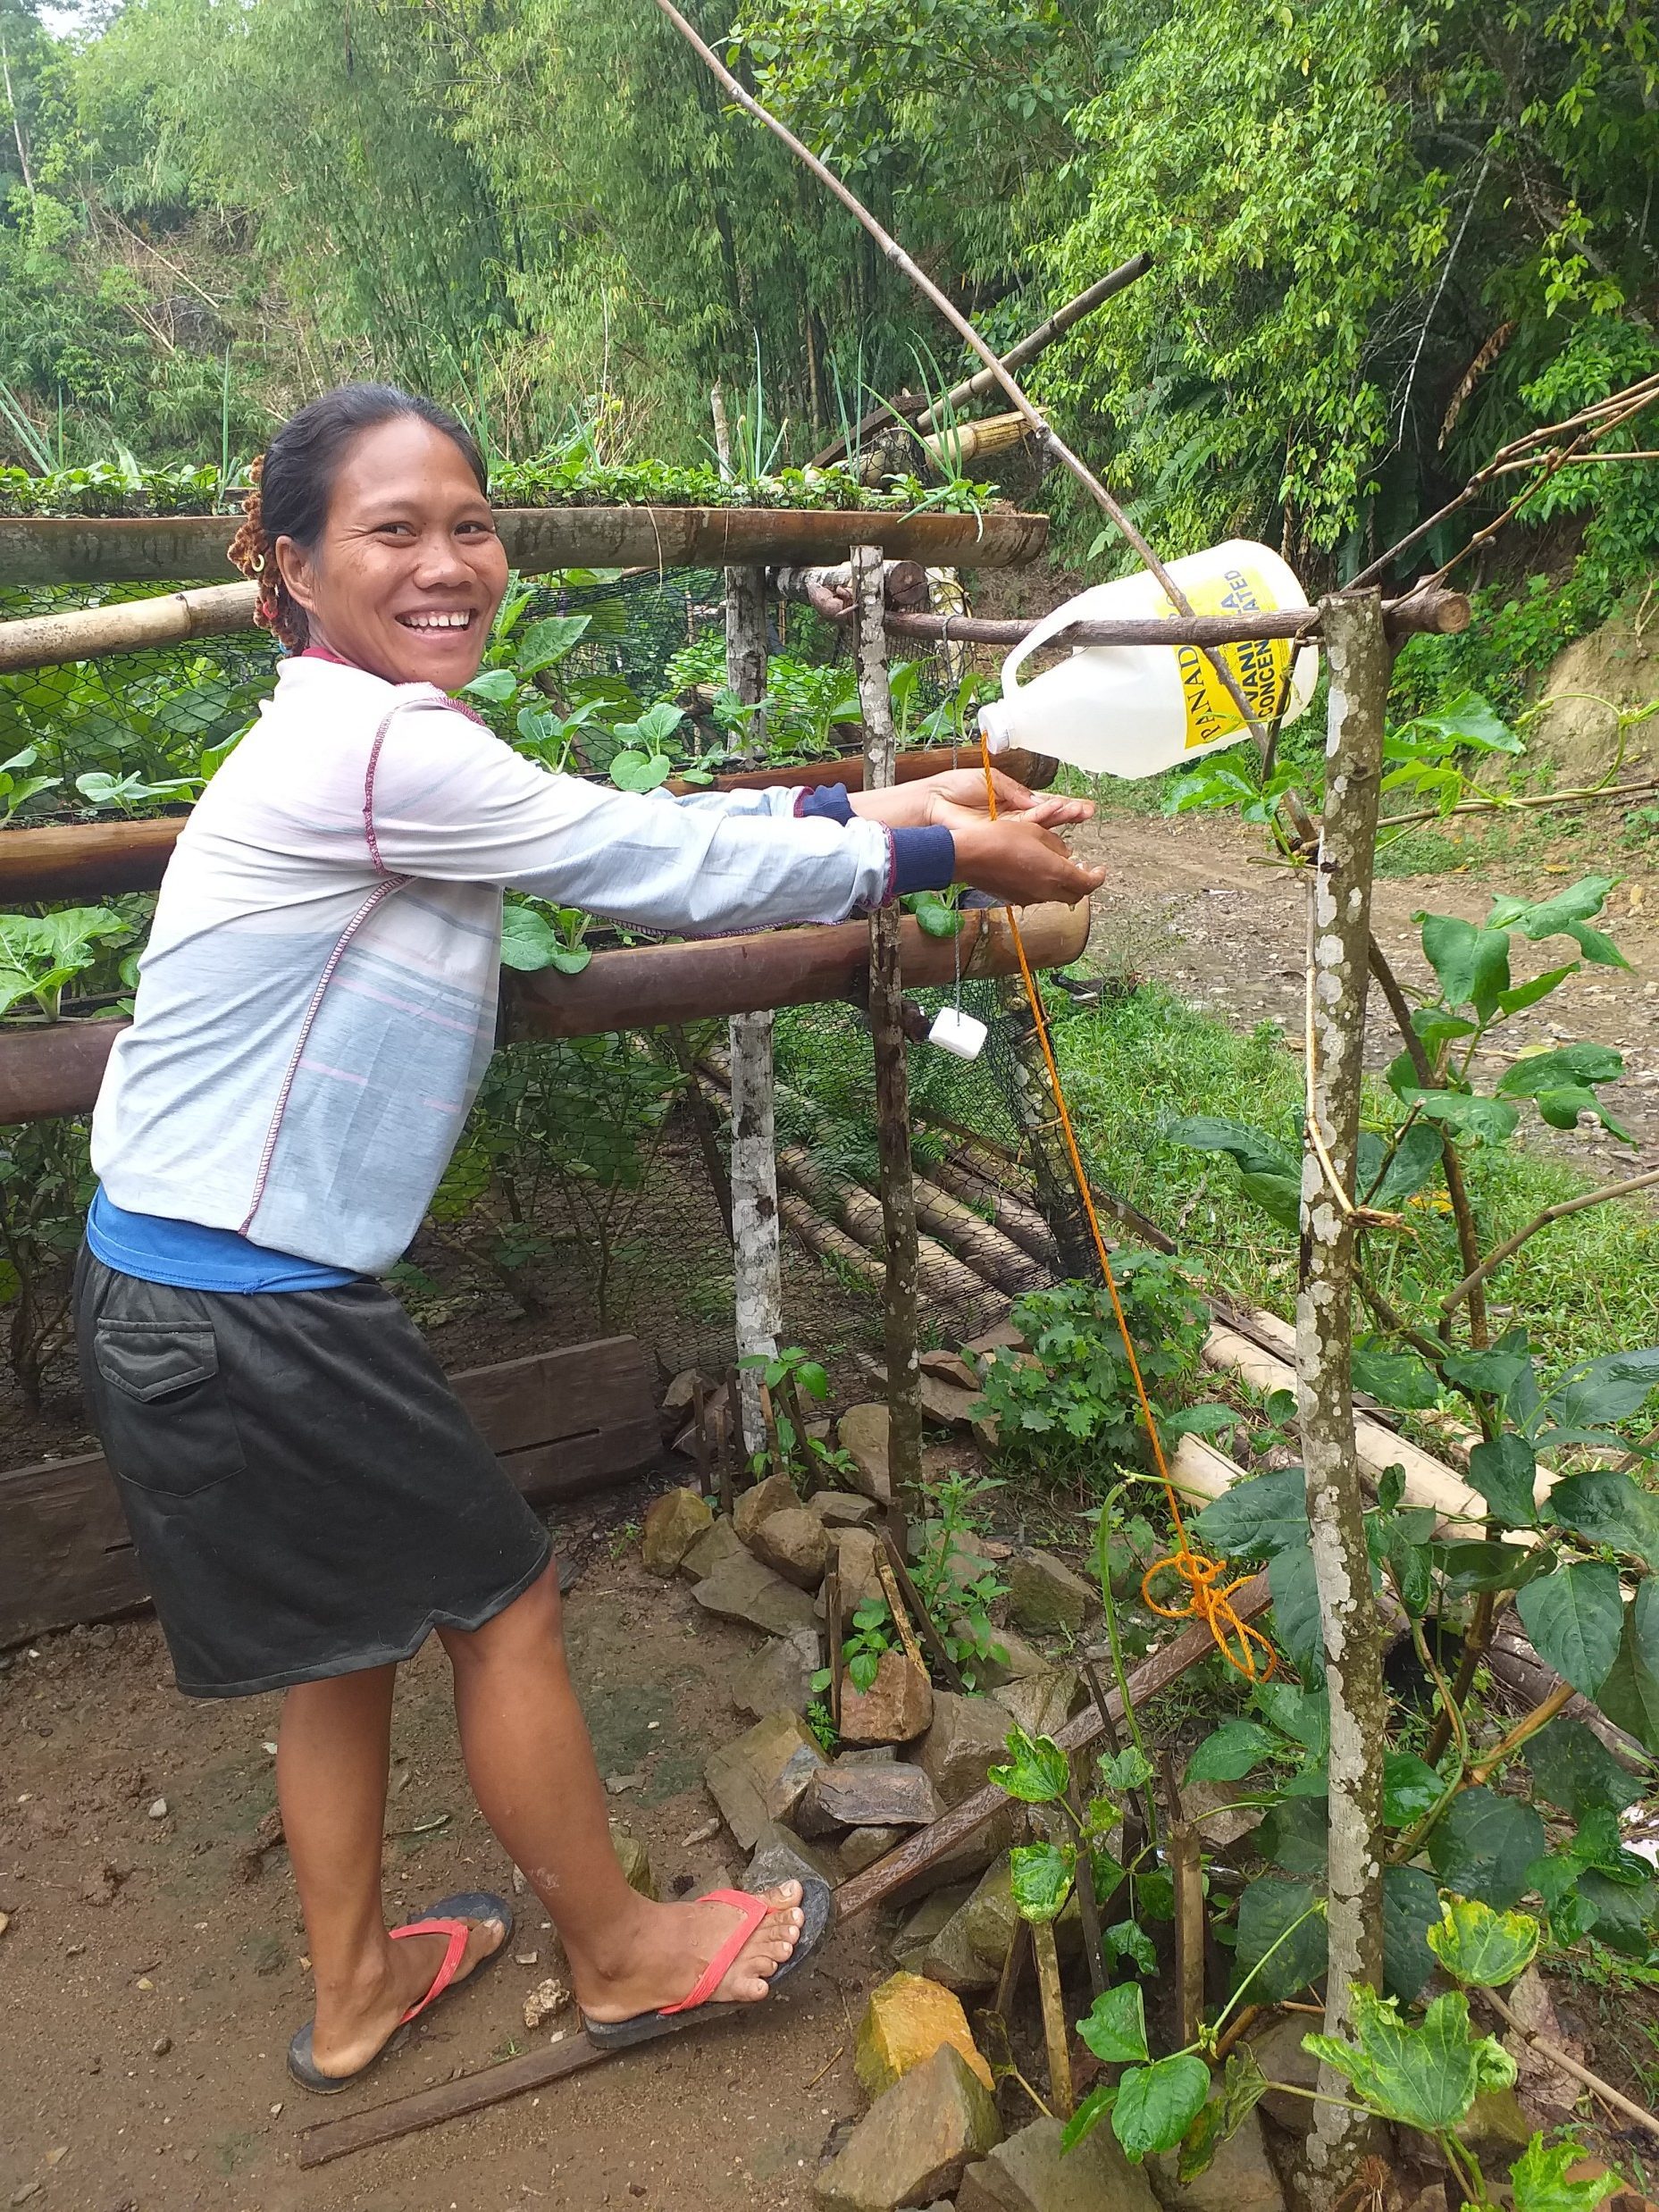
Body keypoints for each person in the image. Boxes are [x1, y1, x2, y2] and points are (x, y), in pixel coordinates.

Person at [75, 381, 1104, 2091]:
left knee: (341, 1657)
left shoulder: (351, 734)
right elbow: (643, 857)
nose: (447, 563)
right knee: (506, 1605)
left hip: (174, 1279)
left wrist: (899, 802)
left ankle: (352, 1996)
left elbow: (609, 827)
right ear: (293, 563)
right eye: (391, 531)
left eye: (469, 525)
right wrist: (937, 845)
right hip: (252, 1305)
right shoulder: (384, 748)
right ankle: (623, 1955)